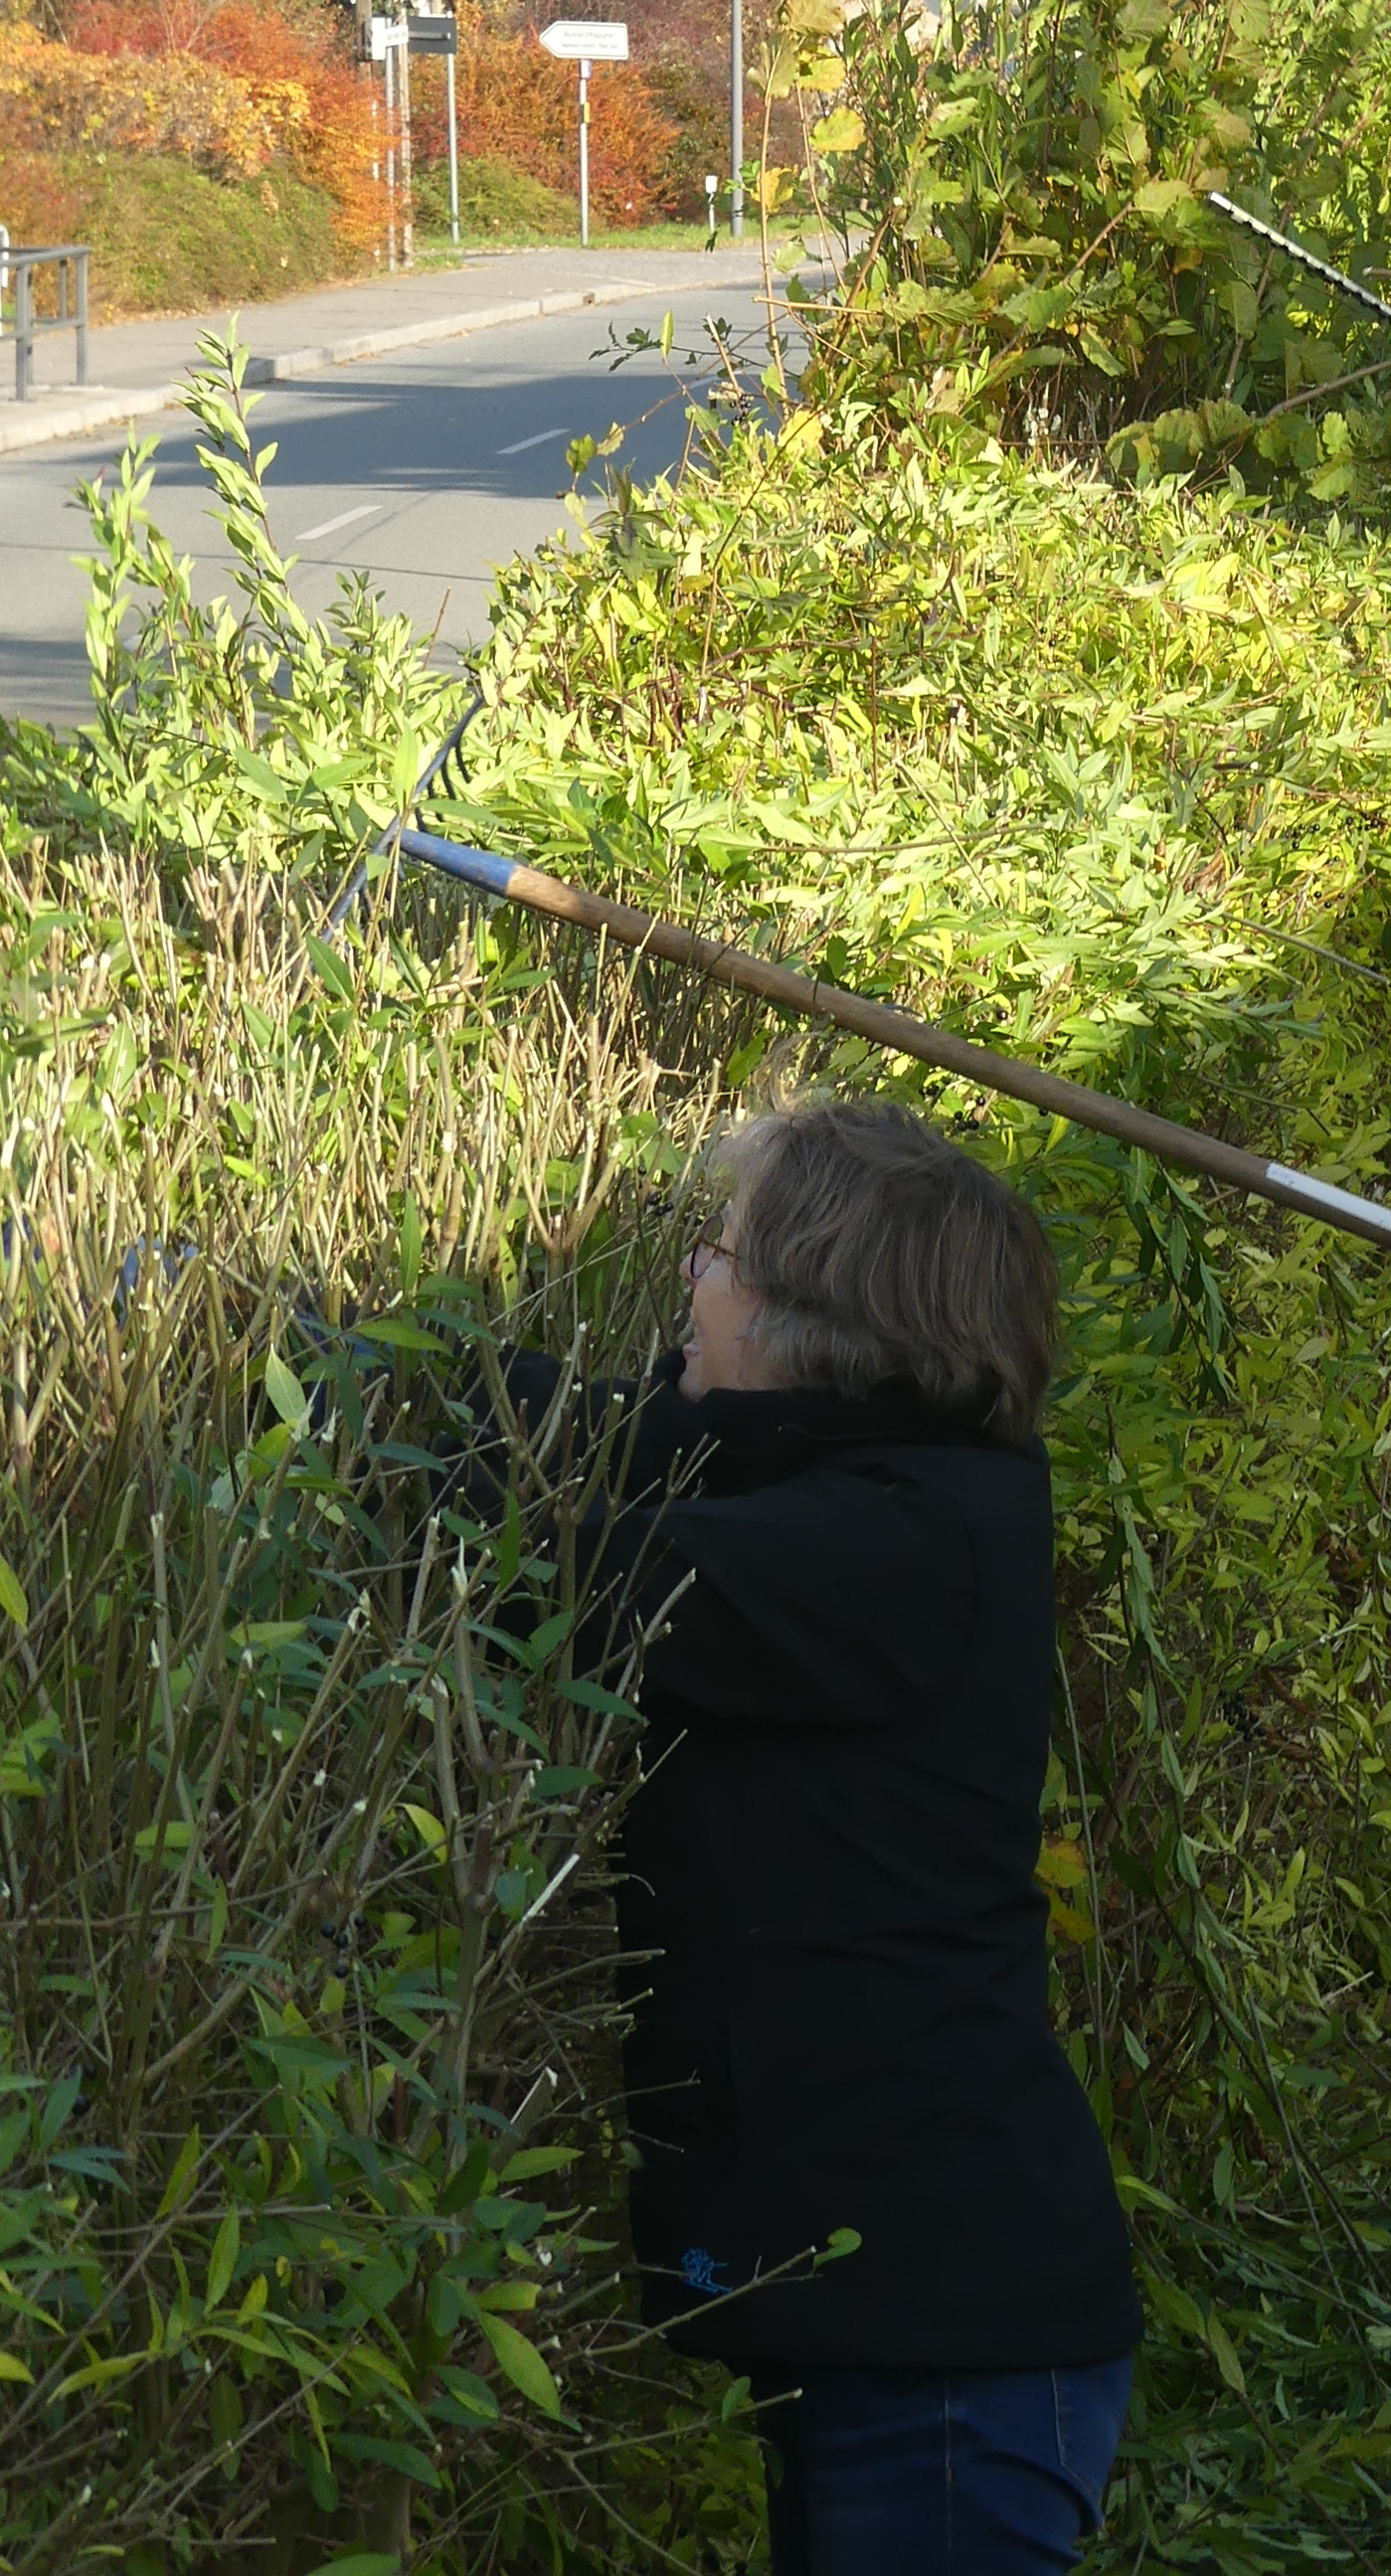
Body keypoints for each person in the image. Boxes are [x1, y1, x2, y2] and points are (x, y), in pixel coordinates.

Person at [506, 1100, 1141, 2575]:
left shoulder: (905, 1544)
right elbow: (597, 1434)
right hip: (897, 2319)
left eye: (719, 1255)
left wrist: (347, 1445)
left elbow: (586, 1573)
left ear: (820, 1321)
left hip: (947, 2342)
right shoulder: (865, 1480)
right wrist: (314, 1364)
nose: (691, 1277)